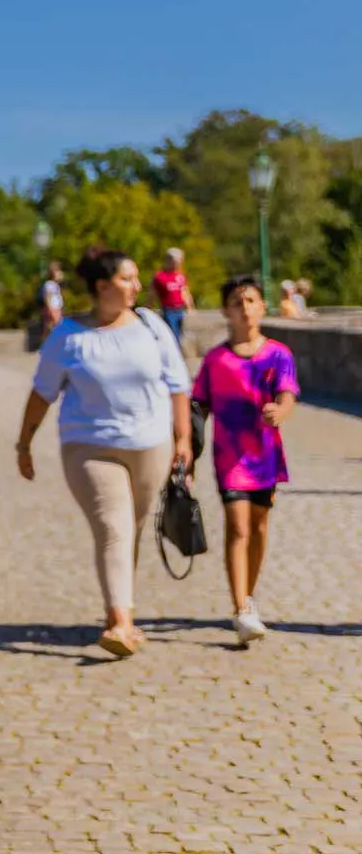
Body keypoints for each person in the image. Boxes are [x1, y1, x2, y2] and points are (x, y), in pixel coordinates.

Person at [16, 247, 193, 658]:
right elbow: (42, 394)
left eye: (136, 278)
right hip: (88, 447)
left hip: (151, 443)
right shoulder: (69, 337)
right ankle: (120, 621)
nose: (136, 285)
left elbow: (178, 384)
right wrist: (24, 444)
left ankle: (120, 608)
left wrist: (183, 439)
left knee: (130, 526)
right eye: (126, 278)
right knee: (113, 526)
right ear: (101, 286)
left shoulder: (152, 326)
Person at [193, 274, 300, 646]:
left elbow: (287, 394)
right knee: (237, 527)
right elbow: (198, 408)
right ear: (225, 311)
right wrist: (186, 454)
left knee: (258, 528)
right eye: (237, 302)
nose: (245, 308)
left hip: (265, 454)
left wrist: (281, 412)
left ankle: (248, 597)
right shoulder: (215, 360)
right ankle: (241, 608)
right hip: (230, 456)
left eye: (251, 300)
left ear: (263, 307)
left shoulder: (278, 354)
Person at [152, 247, 193, 345]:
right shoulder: (160, 276)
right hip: (168, 310)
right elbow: (153, 294)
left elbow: (185, 292)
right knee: (172, 336)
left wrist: (190, 307)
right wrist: (148, 308)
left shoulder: (180, 275)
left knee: (179, 336)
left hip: (180, 310)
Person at [38, 259, 65, 341]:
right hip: (52, 308)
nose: (60, 274)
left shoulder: (56, 285)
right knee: (54, 326)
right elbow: (47, 297)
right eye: (58, 271)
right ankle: (46, 341)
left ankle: (48, 341)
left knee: (53, 326)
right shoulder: (49, 284)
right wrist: (49, 309)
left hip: (57, 308)